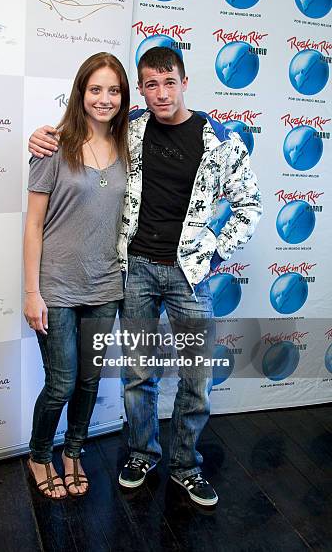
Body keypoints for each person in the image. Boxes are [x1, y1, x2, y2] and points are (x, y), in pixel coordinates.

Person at [28, 47, 262, 506]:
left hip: (189, 276)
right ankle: (141, 453)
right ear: (141, 89)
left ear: (184, 81)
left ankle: (185, 466)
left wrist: (213, 249)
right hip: (134, 272)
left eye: (168, 82)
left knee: (197, 376)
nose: (160, 93)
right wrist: (41, 136)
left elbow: (250, 206)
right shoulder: (130, 130)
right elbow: (81, 133)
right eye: (150, 84)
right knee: (139, 373)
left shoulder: (220, 141)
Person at [24, 52, 130, 499]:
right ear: (81, 92)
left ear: (124, 97)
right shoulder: (53, 145)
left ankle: (74, 451)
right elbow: (33, 224)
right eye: (96, 89)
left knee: (89, 380)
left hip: (107, 286)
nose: (104, 99)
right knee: (62, 382)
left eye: (114, 90)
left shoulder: (132, 144)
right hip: (58, 286)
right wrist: (32, 291)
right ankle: (39, 454)